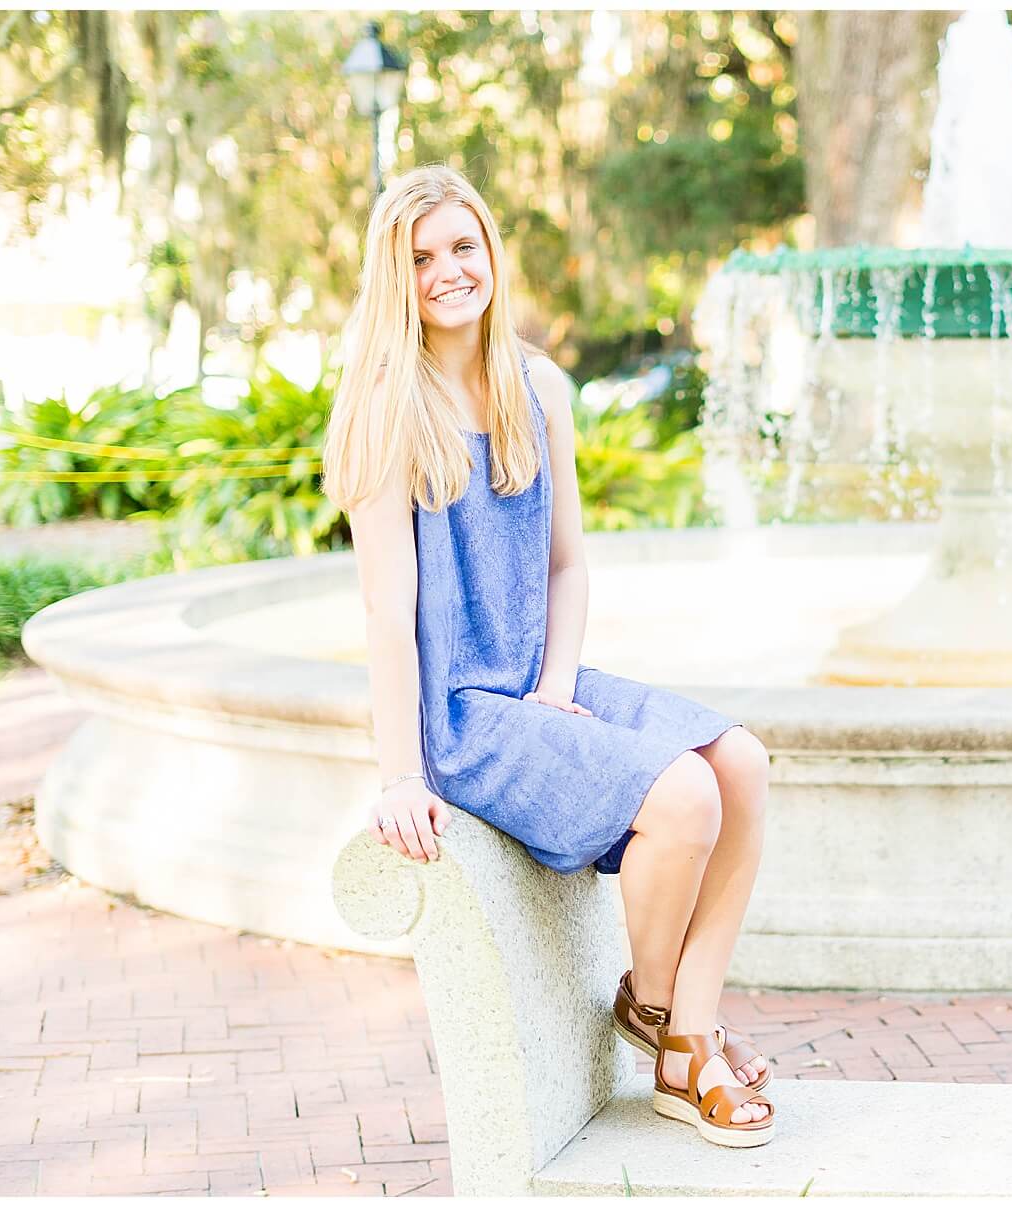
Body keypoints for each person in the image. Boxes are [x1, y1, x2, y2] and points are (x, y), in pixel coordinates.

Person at [320, 165, 775, 1147]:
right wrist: (400, 771)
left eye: (463, 246)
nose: (448, 270)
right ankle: (669, 1028)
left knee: (740, 763)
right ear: (397, 278)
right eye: (422, 257)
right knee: (683, 797)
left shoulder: (540, 386)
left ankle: (686, 1022)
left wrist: (559, 686)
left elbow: (568, 565)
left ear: (491, 251)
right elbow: (386, 614)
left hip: (540, 686)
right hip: (466, 717)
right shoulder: (387, 411)